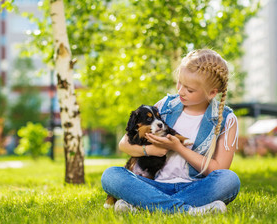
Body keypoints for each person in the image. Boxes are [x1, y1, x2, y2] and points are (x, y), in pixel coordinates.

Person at [101, 49, 240, 215]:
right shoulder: (165, 106)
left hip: (195, 187)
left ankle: (144, 205)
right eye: (179, 83)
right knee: (111, 175)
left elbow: (219, 169)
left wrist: (179, 148)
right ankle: (189, 211)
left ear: (211, 93)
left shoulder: (226, 119)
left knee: (229, 180)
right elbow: (125, 144)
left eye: (189, 90)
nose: (180, 91)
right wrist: (149, 150)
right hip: (153, 184)